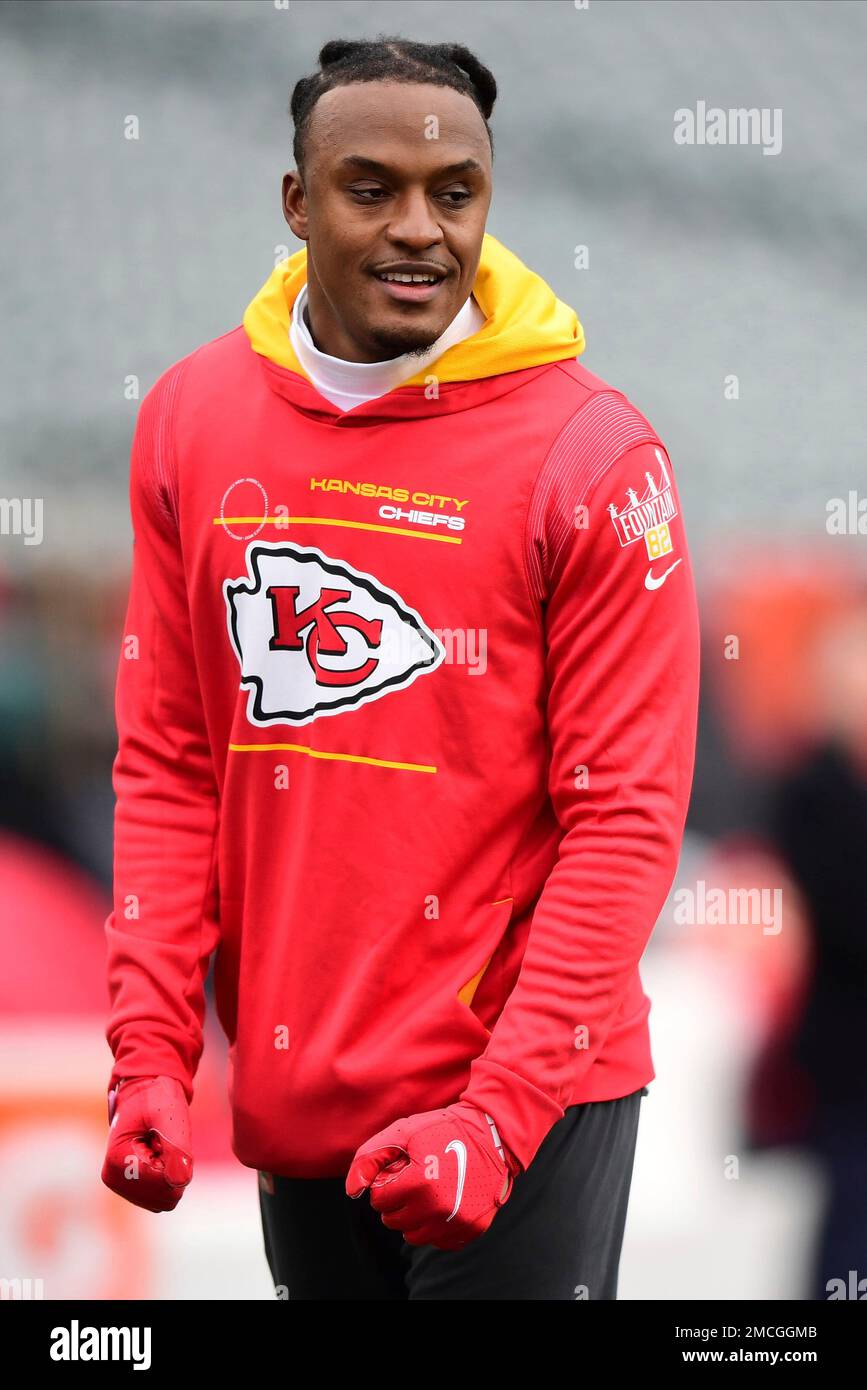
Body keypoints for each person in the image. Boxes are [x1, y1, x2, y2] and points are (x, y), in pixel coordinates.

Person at [101, 36, 700, 1301]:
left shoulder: (595, 456)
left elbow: (625, 822)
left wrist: (502, 1112)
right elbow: (169, 767)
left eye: (456, 192)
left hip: (526, 1102)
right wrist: (148, 1050)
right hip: (299, 1093)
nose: (420, 227)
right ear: (296, 203)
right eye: (371, 188)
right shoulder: (193, 418)